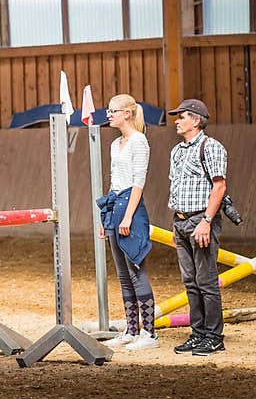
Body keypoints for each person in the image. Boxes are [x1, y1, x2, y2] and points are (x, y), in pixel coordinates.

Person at [167, 98, 228, 356]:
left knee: (206, 281)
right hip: (181, 221)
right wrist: (176, 224)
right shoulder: (177, 151)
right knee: (191, 282)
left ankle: (214, 336)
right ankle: (198, 332)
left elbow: (219, 186)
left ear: (195, 119)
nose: (177, 121)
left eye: (181, 116)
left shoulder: (210, 147)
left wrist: (206, 220)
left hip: (200, 220)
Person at [97, 94, 157, 350]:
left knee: (136, 271)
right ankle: (132, 329)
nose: (109, 115)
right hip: (115, 205)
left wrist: (129, 216)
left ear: (127, 114)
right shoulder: (115, 144)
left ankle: (150, 334)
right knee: (123, 274)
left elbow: (138, 182)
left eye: (113, 111)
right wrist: (107, 217)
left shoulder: (139, 141)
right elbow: (115, 180)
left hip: (130, 207)